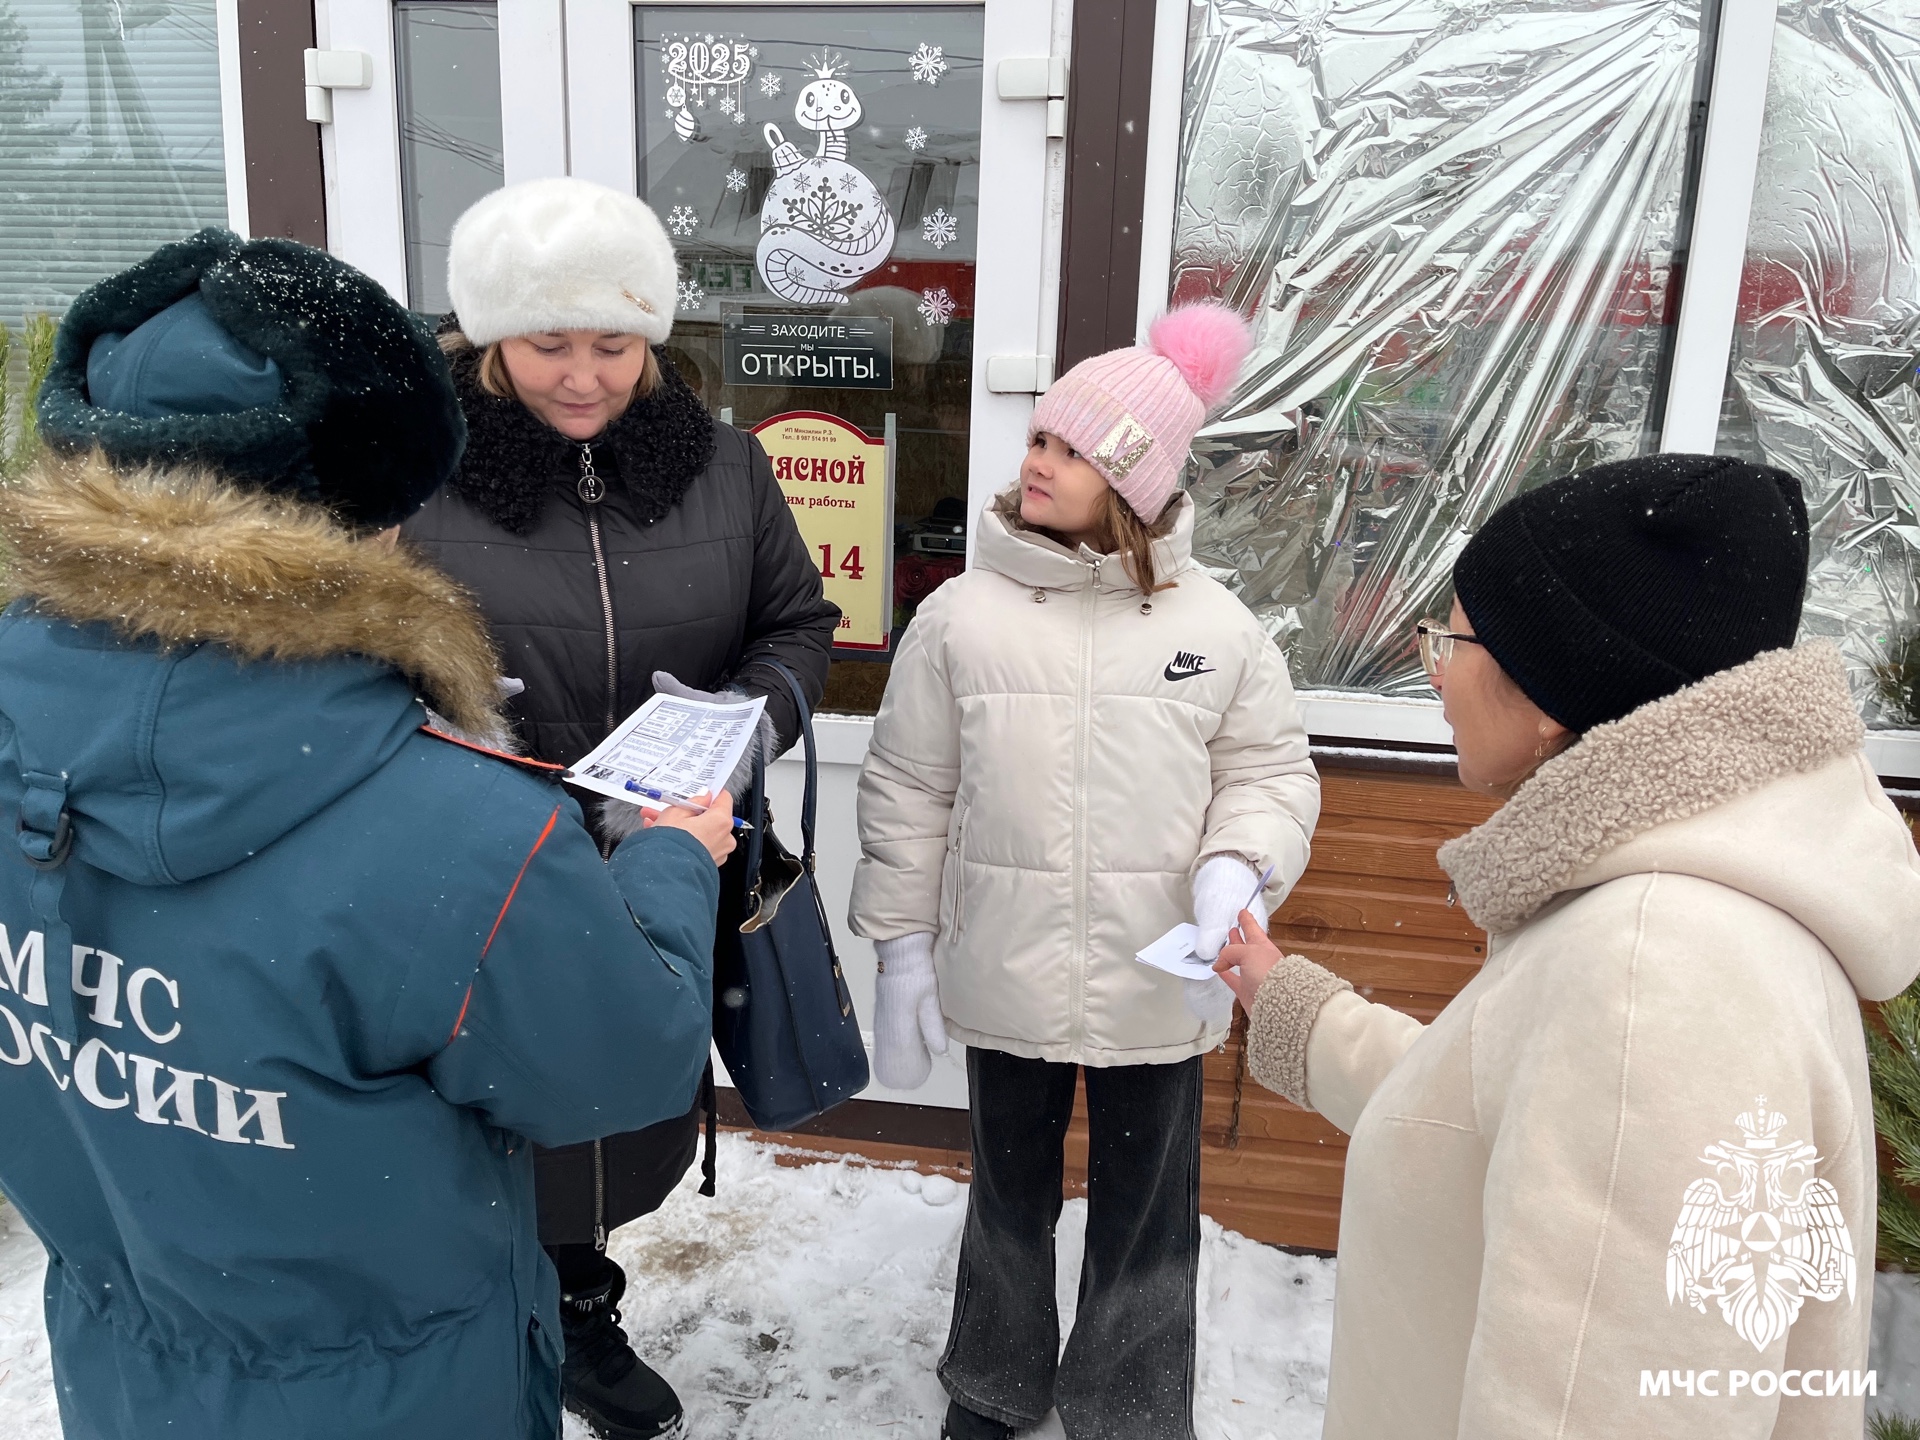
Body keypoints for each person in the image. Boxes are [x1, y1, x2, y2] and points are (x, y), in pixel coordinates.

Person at [0, 229, 734, 1440]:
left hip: (128, 1373)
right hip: (405, 1393)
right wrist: (665, 859)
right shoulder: (459, 835)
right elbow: (621, 1061)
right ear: (374, 507)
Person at [1216, 455, 1920, 1438]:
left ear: (1553, 686)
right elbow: (1504, 1131)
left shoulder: (1656, 967)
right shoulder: (1665, 917)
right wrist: (1295, 1008)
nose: (1433, 672)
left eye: (1451, 640)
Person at [400, 175, 839, 1440]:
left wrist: (742, 724)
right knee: (480, 1108)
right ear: (490, 337)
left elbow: (797, 625)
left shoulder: (726, 468)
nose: (583, 376)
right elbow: (348, 653)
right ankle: (486, 1326)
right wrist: (453, 722)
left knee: (612, 1103)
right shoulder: (419, 479)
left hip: (667, 847)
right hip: (477, 861)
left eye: (614, 342)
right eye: (549, 342)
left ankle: (578, 1310)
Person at [849, 303, 1322, 1440]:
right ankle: (994, 1380)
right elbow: (908, 787)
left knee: (1146, 1210)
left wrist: (1239, 867)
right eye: (1039, 440)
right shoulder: (962, 617)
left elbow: (1269, 773)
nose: (1039, 462)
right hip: (1006, 967)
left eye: (1072, 450)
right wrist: (903, 949)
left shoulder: (1219, 628)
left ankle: (1132, 1400)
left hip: (1159, 979)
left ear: (1136, 483)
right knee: (1006, 1196)